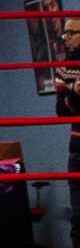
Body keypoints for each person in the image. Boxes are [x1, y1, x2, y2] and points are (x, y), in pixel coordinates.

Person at [56, 18, 80, 247]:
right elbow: (61, 110)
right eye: (65, 33)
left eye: (72, 32)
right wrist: (74, 91)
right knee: (79, 216)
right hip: (78, 148)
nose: (66, 37)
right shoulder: (64, 68)